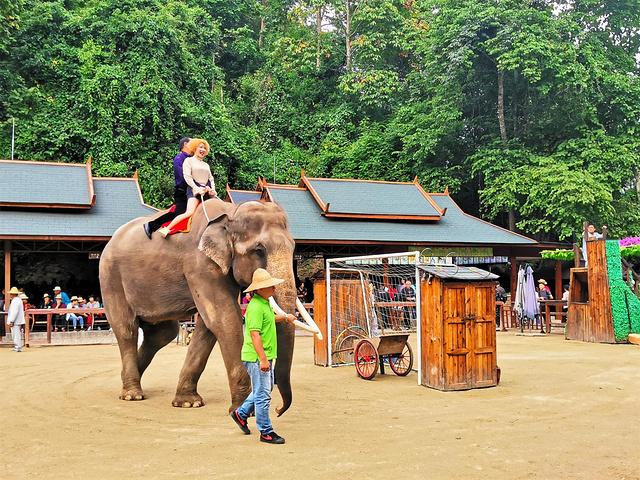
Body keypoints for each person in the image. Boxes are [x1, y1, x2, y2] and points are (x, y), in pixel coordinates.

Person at [231, 268, 295, 444]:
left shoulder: (264, 303)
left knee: (264, 390)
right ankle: (266, 432)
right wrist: (263, 359)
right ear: (259, 289)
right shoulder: (255, 307)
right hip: (257, 357)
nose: (273, 288)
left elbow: (269, 319)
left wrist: (285, 317)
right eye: (269, 286)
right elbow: (254, 335)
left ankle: (241, 414)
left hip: (264, 356)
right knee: (263, 395)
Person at [159, 138, 217, 237]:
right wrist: (197, 189)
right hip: (194, 189)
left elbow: (211, 179)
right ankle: (167, 229)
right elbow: (187, 177)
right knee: (189, 212)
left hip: (206, 190)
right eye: (200, 147)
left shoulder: (206, 165)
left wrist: (212, 190)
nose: (202, 150)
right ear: (194, 148)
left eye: (204, 148)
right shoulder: (188, 161)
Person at [144, 137, 192, 238]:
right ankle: (152, 225)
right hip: (182, 191)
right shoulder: (179, 159)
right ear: (186, 144)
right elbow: (182, 178)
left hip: (194, 192)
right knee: (178, 214)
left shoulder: (193, 160)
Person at [7, 286, 25, 352]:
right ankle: (18, 346)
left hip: (15, 321)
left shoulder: (15, 301)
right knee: (17, 334)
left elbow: (14, 312)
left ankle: (18, 347)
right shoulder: (18, 300)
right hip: (17, 320)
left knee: (15, 334)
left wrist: (11, 320)